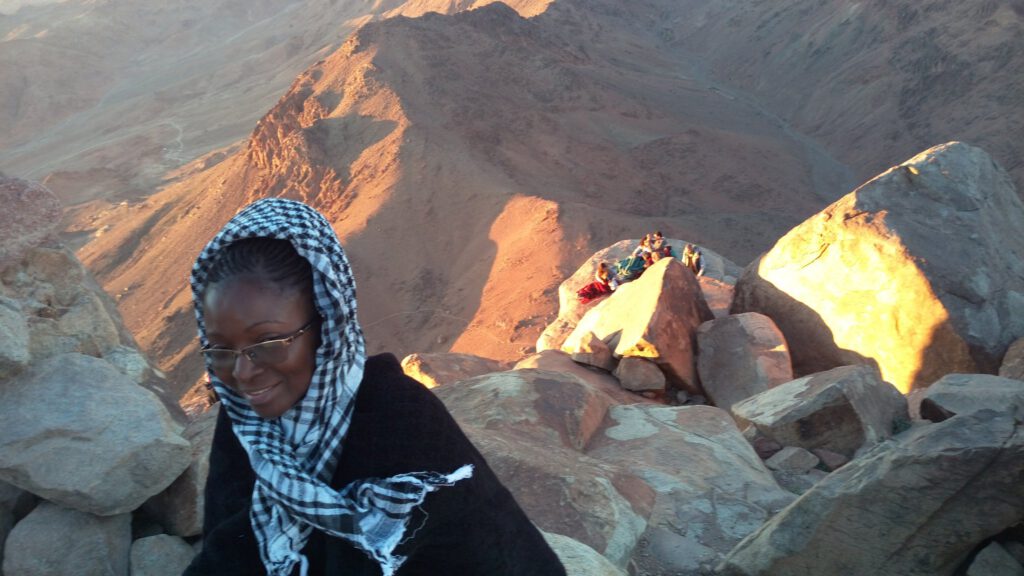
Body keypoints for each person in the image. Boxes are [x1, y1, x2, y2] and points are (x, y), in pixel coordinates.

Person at [184, 198, 565, 576]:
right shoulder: (245, 425)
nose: (242, 373)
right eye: (219, 349)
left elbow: (498, 553)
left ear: (328, 326)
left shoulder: (403, 426)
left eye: (267, 343)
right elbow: (229, 550)